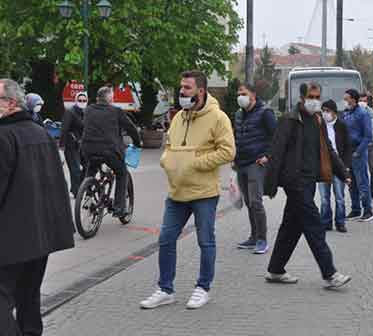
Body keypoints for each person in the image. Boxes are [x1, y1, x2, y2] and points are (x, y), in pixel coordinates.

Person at [140, 71, 235, 310]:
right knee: (166, 239)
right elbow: (170, 147)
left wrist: (195, 163)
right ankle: (165, 289)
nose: (181, 92)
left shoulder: (218, 118)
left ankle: (203, 288)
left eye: (187, 88)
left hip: (204, 193)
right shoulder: (178, 118)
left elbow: (228, 151)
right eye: (181, 87)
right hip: (177, 192)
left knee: (206, 241)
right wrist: (167, 160)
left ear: (200, 91)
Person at [0, 79, 75, 336]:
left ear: (9, 104)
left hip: (9, 242)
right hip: (39, 239)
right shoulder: (39, 132)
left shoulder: (3, 136)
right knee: (29, 303)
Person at [262, 82, 352, 289]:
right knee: (314, 226)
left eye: (317, 96)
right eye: (311, 96)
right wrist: (271, 184)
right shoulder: (289, 120)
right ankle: (330, 274)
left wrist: (343, 172)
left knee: (291, 227)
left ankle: (275, 269)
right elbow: (277, 151)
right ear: (301, 98)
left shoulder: (318, 120)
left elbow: (328, 150)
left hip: (310, 182)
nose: (315, 100)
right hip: (295, 182)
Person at [81, 87, 141, 217]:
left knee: (91, 169)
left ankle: (87, 196)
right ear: (110, 99)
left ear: (98, 98)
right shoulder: (116, 111)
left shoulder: (88, 110)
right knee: (121, 172)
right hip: (109, 151)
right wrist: (137, 142)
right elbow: (131, 128)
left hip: (88, 148)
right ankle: (119, 208)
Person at [233, 83, 277, 255]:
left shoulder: (265, 113)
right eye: (238, 93)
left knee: (256, 202)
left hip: (256, 163)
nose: (240, 96)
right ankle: (253, 236)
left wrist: (268, 156)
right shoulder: (238, 114)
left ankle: (262, 240)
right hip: (241, 163)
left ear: (253, 95)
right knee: (249, 202)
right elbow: (237, 136)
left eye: (243, 93)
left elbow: (277, 137)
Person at [319, 100, 352, 233]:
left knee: (339, 196)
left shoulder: (342, 125)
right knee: (324, 198)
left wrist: (346, 167)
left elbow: (348, 147)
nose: (325, 114)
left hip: (339, 166)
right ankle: (325, 222)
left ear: (334, 112)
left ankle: (340, 222)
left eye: (328, 111)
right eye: (323, 111)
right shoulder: (319, 125)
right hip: (323, 166)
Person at [342, 89, 373, 222]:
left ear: (353, 99)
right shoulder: (346, 113)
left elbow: (368, 136)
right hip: (348, 152)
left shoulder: (363, 114)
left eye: (346, 98)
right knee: (351, 183)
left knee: (362, 182)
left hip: (358, 152)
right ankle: (356, 209)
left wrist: (358, 152)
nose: (345, 101)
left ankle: (368, 210)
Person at [60, 92, 87, 197]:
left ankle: (80, 188)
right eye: (80, 100)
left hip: (83, 145)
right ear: (76, 101)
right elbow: (64, 129)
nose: (82, 102)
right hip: (71, 145)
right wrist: (62, 147)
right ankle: (76, 192)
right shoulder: (70, 112)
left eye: (84, 100)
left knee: (87, 166)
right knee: (75, 169)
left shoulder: (86, 113)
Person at [359, 93, 373, 200]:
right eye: (360, 100)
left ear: (367, 102)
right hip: (359, 146)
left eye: (364, 100)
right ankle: (362, 192)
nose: (362, 102)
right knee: (360, 170)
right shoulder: (354, 113)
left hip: (371, 145)